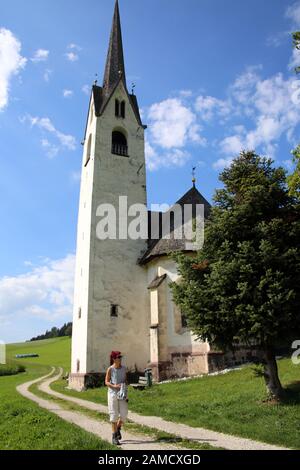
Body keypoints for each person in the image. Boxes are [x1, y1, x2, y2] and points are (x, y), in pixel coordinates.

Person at [105, 350, 128, 445]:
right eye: (118, 357)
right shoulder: (110, 369)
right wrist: (114, 386)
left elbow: (125, 379)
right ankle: (114, 437)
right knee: (114, 415)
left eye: (120, 357)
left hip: (122, 394)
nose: (120, 359)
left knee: (124, 415)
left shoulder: (124, 368)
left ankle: (118, 428)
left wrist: (124, 385)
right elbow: (106, 382)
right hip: (112, 394)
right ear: (114, 359)